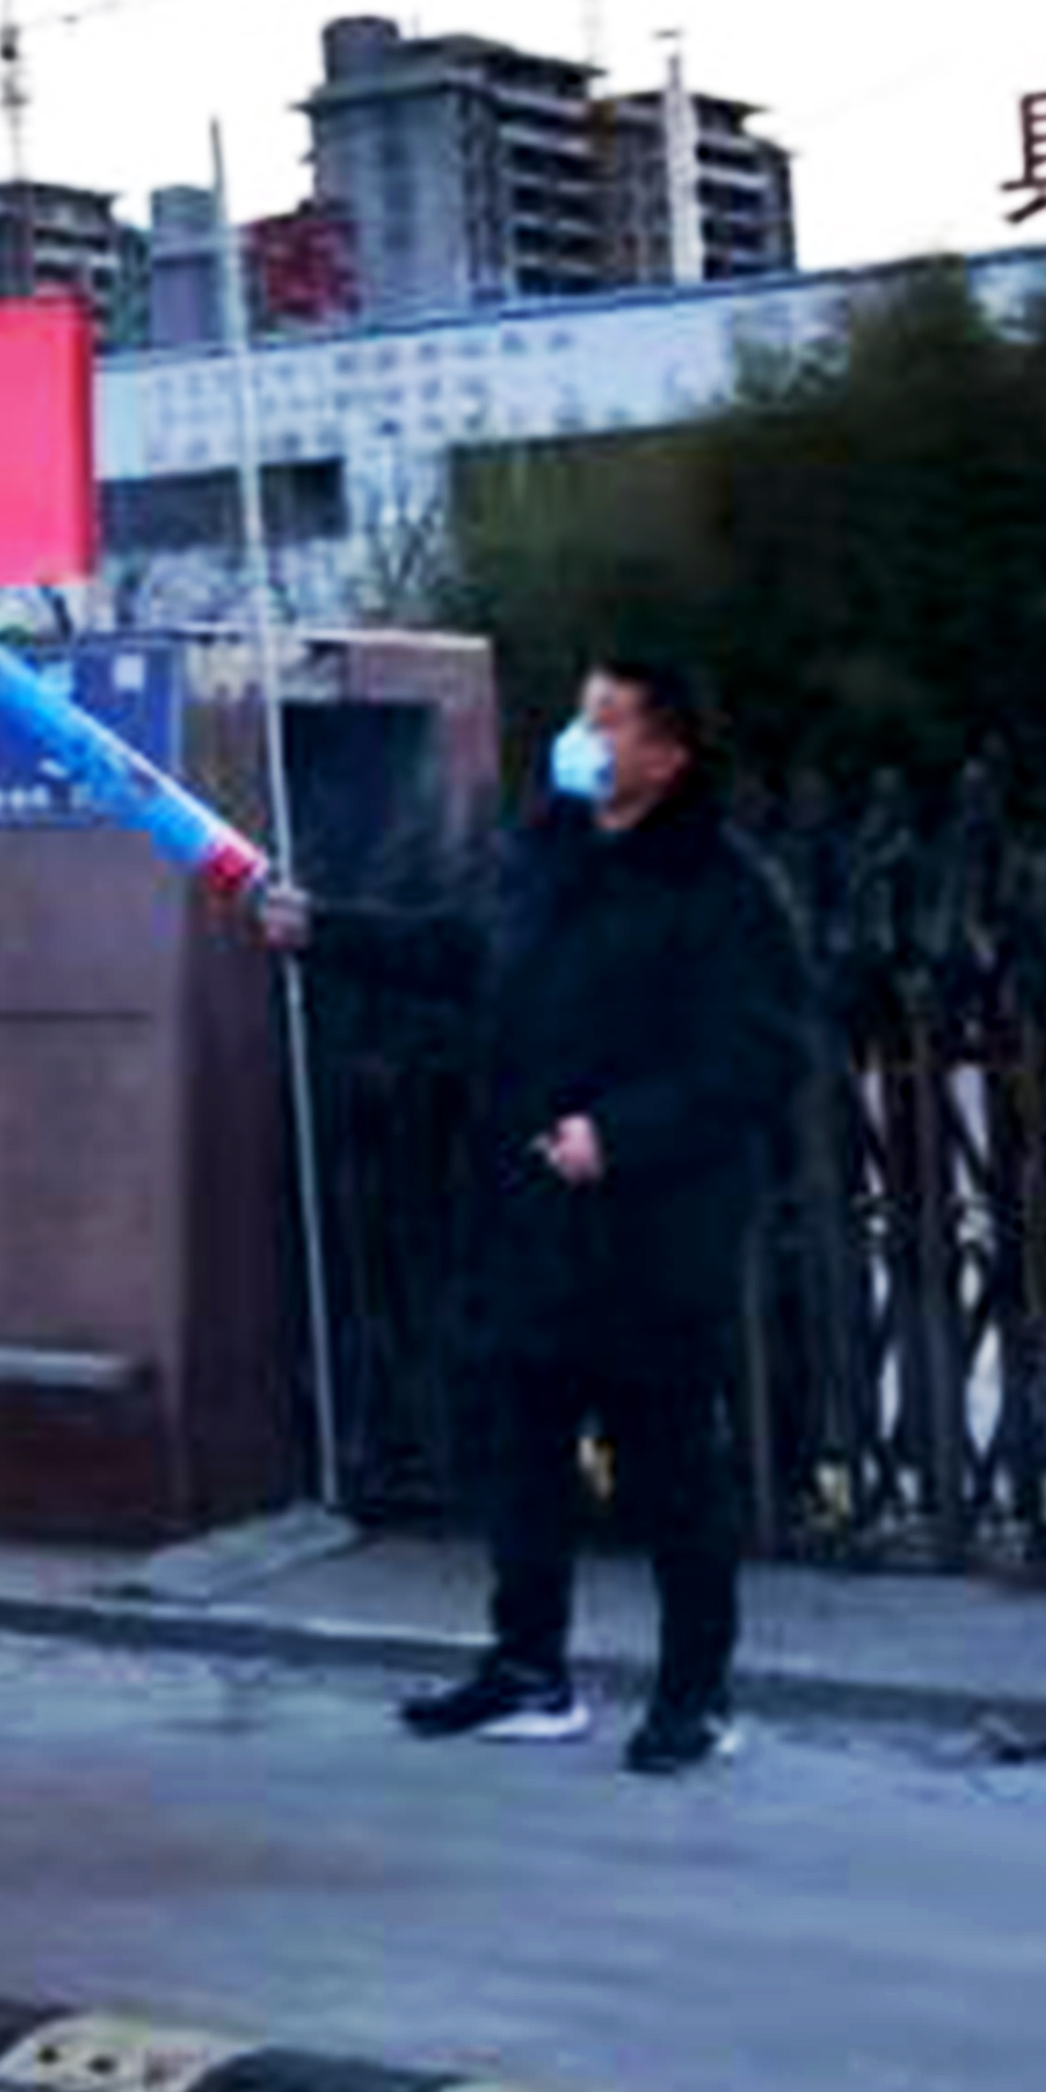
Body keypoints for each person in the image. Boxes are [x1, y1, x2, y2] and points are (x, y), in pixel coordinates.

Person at [260, 656, 811, 1775]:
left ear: (668, 753)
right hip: (526, 1220)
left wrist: (622, 1132)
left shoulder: (721, 886)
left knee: (671, 1468)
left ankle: (694, 1694)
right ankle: (527, 1669)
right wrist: (324, 928)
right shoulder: (547, 856)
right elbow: (463, 951)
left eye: (608, 720)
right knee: (522, 1455)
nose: (581, 736)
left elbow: (759, 1058)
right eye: (581, 713)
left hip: (654, 1234)